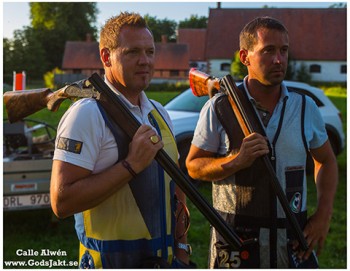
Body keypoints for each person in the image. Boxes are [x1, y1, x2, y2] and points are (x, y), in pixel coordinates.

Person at [186, 16, 338, 268]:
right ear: (245, 57)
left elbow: (327, 161)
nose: (279, 59)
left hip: (293, 242)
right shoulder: (219, 107)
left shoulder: (305, 107)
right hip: (235, 244)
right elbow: (193, 166)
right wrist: (237, 160)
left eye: (284, 50)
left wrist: (323, 215)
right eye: (268, 50)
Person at [50, 12, 191, 268]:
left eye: (150, 52)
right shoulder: (86, 114)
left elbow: (176, 188)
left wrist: (181, 249)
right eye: (133, 52)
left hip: (165, 262)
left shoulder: (159, 112)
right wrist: (131, 165)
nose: (145, 61)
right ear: (106, 57)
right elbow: (61, 202)